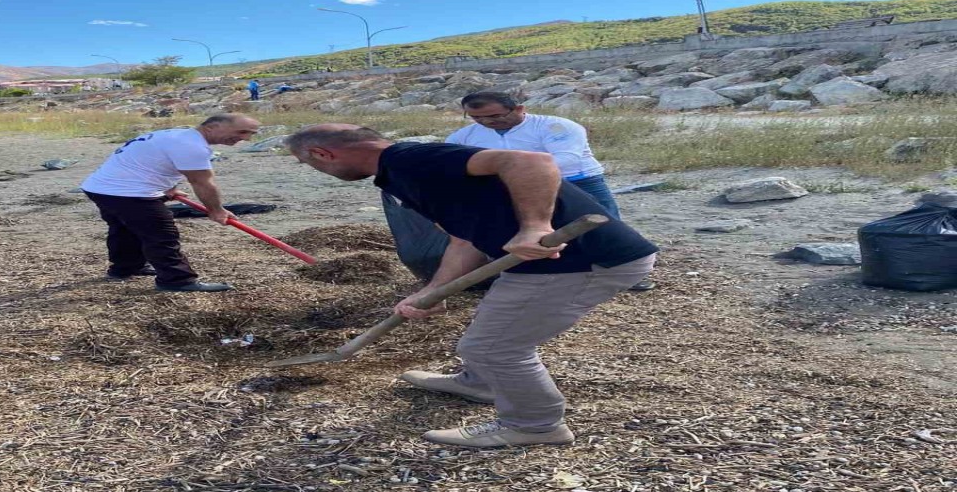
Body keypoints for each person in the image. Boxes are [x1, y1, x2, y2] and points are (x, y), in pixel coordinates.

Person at [285, 125, 658, 448]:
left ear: (322, 153)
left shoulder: (411, 160)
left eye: (310, 163)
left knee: (495, 346)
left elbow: (531, 162)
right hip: (543, 263)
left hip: (582, 260)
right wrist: (435, 290)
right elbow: (466, 240)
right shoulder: (401, 173)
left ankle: (535, 424)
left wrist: (534, 227)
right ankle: (480, 383)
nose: (315, 169)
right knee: (493, 330)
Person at [447, 91, 654, 292]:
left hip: (576, 181)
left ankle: (627, 276)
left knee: (605, 228)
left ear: (518, 109)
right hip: (512, 187)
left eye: (495, 116)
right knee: (520, 231)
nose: (487, 122)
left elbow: (566, 158)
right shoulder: (464, 136)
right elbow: (450, 161)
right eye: (476, 118)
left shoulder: (557, 127)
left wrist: (514, 172)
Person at [80, 114, 260, 293]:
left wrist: (170, 188)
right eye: (242, 131)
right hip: (126, 192)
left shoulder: (176, 136)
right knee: (161, 235)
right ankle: (176, 280)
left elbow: (158, 163)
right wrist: (216, 210)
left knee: (124, 229)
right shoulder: (191, 146)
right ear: (211, 127)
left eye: (250, 134)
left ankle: (125, 268)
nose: (245, 138)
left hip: (100, 188)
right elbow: (202, 182)